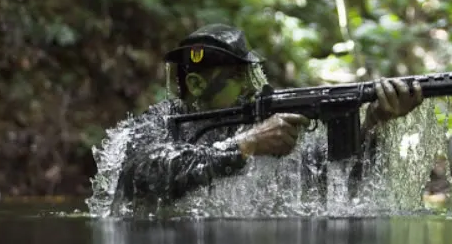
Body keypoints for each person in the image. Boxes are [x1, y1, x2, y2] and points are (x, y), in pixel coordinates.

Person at [104, 24, 424, 214]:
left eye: (252, 77)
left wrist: (374, 124)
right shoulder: (159, 122)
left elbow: (328, 180)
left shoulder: (250, 123)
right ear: (198, 85)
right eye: (239, 79)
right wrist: (247, 145)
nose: (252, 88)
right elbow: (146, 171)